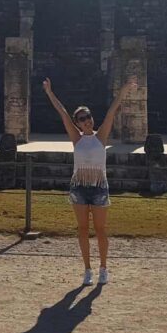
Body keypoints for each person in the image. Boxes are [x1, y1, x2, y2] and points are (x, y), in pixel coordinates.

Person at [42, 76, 138, 286]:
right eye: (82, 119)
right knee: (83, 229)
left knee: (101, 229)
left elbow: (113, 110)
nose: (87, 121)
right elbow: (62, 113)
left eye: (89, 117)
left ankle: (103, 267)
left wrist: (124, 89)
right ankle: (87, 269)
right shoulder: (76, 138)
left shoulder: (100, 136)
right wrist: (49, 92)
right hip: (79, 187)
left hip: (98, 187)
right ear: (77, 123)